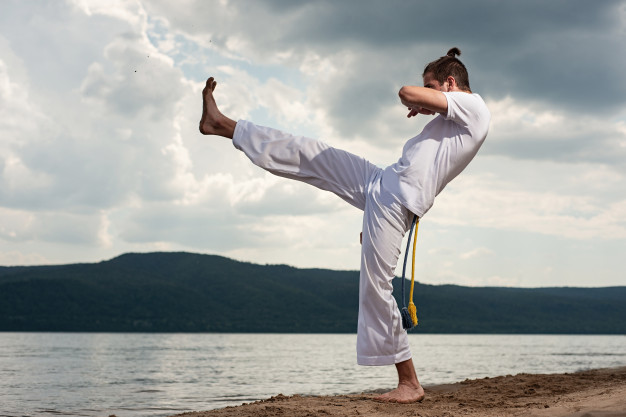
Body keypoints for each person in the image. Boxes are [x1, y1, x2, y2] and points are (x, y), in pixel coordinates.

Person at [199, 47, 490, 404]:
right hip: (381, 184)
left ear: (449, 82)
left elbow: (405, 93)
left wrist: (424, 100)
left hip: (395, 203)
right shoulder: (448, 121)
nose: (425, 96)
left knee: (375, 287)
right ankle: (223, 125)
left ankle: (410, 383)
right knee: (310, 152)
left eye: (431, 86)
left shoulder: (475, 108)